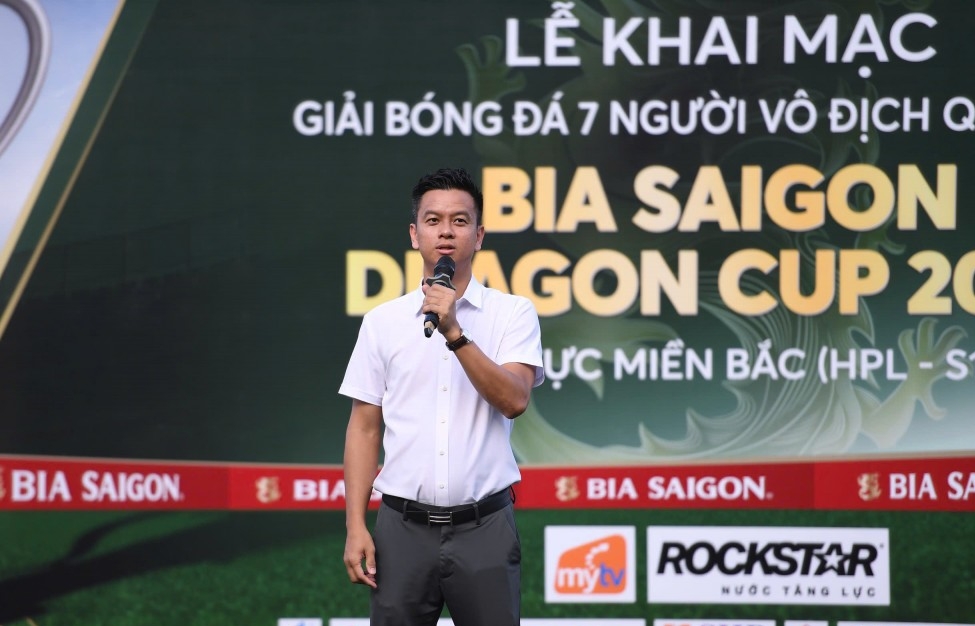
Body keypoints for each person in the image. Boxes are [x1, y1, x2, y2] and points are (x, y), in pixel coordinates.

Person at [339, 167, 544, 626]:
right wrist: (355, 526)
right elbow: (364, 427)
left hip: (485, 527)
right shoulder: (382, 322)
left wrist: (455, 332)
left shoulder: (513, 313)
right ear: (415, 235)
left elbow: (514, 400)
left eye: (459, 221)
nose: (446, 232)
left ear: (479, 235)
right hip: (402, 529)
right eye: (433, 221)